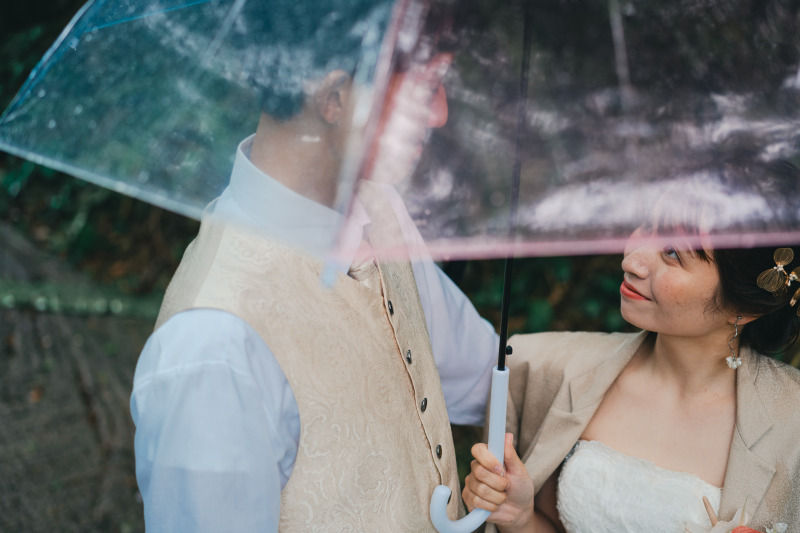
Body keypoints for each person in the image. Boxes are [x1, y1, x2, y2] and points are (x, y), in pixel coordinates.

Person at [130, 1, 498, 532]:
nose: (441, 113)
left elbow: (485, 374)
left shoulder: (382, 210)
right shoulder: (211, 346)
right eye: (426, 84)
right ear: (335, 96)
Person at [462, 155, 800, 533]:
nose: (632, 259)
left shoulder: (793, 427)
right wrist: (520, 518)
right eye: (645, 225)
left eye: (673, 252)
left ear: (744, 305)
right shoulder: (540, 368)